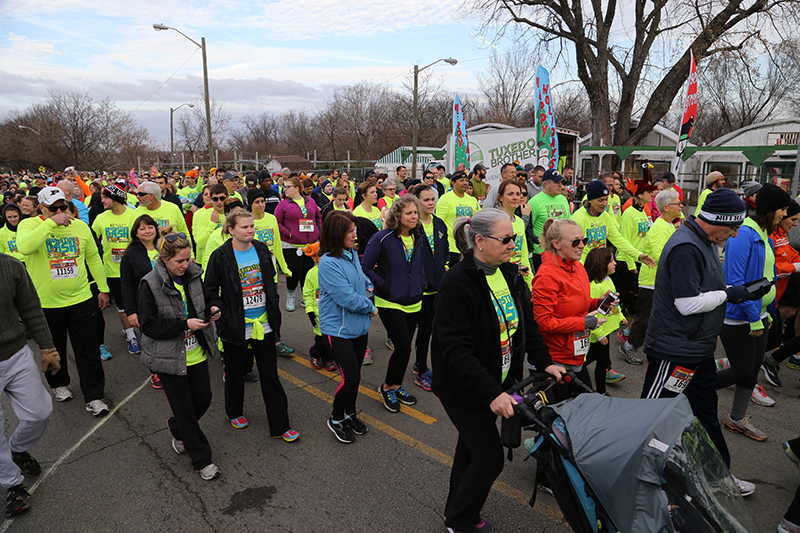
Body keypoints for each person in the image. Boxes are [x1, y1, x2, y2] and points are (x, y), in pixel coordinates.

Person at [431, 209, 563, 533]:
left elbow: (526, 324)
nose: (512, 244)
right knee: (489, 458)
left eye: (514, 238)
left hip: (499, 381)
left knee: (471, 449)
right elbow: (457, 350)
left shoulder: (509, 273)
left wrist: (544, 361)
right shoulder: (456, 283)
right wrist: (493, 393)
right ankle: (460, 521)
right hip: (466, 388)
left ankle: (454, 511)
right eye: (505, 239)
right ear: (478, 241)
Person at [641, 187, 766, 496]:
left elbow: (707, 286)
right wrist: (730, 294)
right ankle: (635, 476)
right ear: (718, 220)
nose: (736, 235)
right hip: (674, 351)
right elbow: (686, 303)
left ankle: (718, 476)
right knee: (652, 416)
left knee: (705, 415)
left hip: (697, 349)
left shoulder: (707, 239)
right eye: (734, 227)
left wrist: (739, 289)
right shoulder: (686, 246)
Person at [205, 209, 299, 440]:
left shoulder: (261, 249)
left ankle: (280, 426)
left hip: (263, 323)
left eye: (252, 226)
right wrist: (219, 310)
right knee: (236, 372)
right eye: (244, 227)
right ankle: (233, 411)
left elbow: (270, 280)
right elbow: (210, 290)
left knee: (270, 374)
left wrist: (273, 304)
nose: (250, 230)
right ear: (231, 230)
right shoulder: (221, 255)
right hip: (237, 324)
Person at [16, 187, 111, 415]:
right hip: (46, 304)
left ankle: (94, 396)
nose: (60, 212)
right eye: (53, 208)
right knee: (52, 349)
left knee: (88, 350)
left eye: (63, 207)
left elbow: (93, 259)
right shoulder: (29, 225)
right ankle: (59, 385)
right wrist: (50, 224)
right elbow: (25, 247)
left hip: (80, 299)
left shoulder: (80, 226)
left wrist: (103, 288)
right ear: (41, 208)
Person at [138, 229, 221, 480]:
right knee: (185, 409)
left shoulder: (194, 275)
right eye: (179, 261)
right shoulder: (149, 283)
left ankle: (176, 427)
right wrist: (185, 324)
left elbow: (206, 299)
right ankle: (202, 460)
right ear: (164, 260)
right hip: (168, 358)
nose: (186, 265)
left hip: (196, 353)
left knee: (203, 399)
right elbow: (148, 325)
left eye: (188, 259)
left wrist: (214, 309)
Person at [716, 183, 789, 434]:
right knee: (743, 369)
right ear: (769, 209)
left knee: (751, 371)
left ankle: (737, 418)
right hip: (739, 317)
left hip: (760, 315)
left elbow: (767, 276)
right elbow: (736, 282)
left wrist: (766, 313)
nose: (785, 215)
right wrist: (753, 318)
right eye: (782, 209)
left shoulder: (765, 234)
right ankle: (693, 390)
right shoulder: (744, 234)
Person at [0, 251, 59, 518]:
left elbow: (31, 309)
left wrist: (47, 347)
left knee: (40, 411)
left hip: (15, 354)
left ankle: (17, 450)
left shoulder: (9, 265)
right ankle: (13, 485)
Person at [362, 196, 425, 412]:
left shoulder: (419, 237)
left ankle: (397, 385)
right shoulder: (382, 237)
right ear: (397, 216)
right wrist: (383, 285)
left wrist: (421, 282)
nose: (414, 217)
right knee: (403, 346)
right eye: (409, 213)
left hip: (414, 301)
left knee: (405, 349)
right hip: (389, 301)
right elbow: (366, 266)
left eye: (415, 212)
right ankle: (387, 387)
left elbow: (422, 264)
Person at [318, 211, 376, 443]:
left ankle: (349, 413)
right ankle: (336, 418)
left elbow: (363, 279)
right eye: (350, 231)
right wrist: (370, 306)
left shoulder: (351, 254)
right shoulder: (328, 262)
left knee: (356, 375)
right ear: (337, 234)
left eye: (355, 229)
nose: (355, 235)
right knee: (349, 377)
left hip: (359, 327)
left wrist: (369, 288)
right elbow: (346, 298)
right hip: (338, 330)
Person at [532, 218, 607, 385]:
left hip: (576, 353)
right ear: (557, 244)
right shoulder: (547, 275)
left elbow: (576, 303)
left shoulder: (577, 266)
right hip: (555, 358)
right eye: (575, 242)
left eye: (584, 240)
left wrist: (597, 302)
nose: (582, 245)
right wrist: (583, 323)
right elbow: (543, 323)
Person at [618, 189, 681, 365]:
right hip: (651, 280)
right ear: (666, 207)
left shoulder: (668, 225)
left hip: (661, 280)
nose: (681, 206)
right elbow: (662, 255)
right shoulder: (660, 227)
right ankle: (628, 346)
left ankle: (651, 344)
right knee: (644, 318)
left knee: (657, 317)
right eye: (678, 203)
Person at [91, 185, 139, 355]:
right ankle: (131, 336)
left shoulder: (134, 215)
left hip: (135, 269)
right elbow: (91, 241)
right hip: (112, 271)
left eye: (105, 197)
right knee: (122, 305)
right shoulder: (101, 218)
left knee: (140, 303)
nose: (101, 200)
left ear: (116, 198)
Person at [409, 184, 447, 391]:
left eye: (433, 199)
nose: (431, 203)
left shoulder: (440, 224)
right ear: (416, 202)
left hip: (438, 287)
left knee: (438, 329)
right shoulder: (412, 228)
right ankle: (420, 367)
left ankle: (431, 365)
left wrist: (446, 267)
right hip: (420, 290)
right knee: (424, 329)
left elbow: (446, 251)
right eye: (426, 199)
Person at [614, 179, 659, 347]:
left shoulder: (643, 212)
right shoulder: (629, 214)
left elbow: (644, 236)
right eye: (649, 192)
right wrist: (632, 265)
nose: (652, 194)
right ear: (640, 195)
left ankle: (627, 332)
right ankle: (608, 325)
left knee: (641, 300)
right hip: (627, 261)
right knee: (623, 294)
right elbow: (624, 240)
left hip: (641, 259)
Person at [571, 180, 656, 268]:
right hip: (584, 267)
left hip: (599, 266)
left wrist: (638, 255)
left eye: (606, 199)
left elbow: (618, 240)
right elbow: (572, 249)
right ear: (590, 200)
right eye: (600, 200)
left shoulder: (605, 216)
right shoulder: (578, 219)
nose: (604, 203)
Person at [120, 214, 163, 389]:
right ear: (136, 233)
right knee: (151, 339)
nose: (147, 231)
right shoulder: (130, 253)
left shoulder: (164, 246)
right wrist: (131, 312)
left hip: (169, 300)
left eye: (150, 226)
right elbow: (126, 284)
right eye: (142, 228)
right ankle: (155, 371)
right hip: (145, 304)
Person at [761, 201, 800, 387]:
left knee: (773, 340)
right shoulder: (770, 236)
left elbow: (792, 255)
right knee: (761, 341)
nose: (795, 224)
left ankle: (743, 365)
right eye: (792, 219)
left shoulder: (782, 235)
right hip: (763, 300)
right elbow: (770, 267)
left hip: (773, 300)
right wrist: (795, 267)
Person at [274, 176, 322, 312]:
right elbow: (276, 222)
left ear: (297, 188)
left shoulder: (310, 201)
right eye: (285, 187)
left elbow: (318, 217)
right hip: (291, 245)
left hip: (310, 244)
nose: (285, 189)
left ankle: (305, 297)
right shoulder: (283, 204)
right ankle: (290, 295)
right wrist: (288, 233)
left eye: (288, 186)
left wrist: (318, 231)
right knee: (294, 272)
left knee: (307, 273)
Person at [584, 248, 627, 392]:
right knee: (601, 363)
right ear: (601, 264)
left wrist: (620, 317)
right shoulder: (595, 287)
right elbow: (592, 314)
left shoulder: (608, 280)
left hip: (606, 330)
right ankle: (601, 392)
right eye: (611, 261)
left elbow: (614, 301)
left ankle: (575, 371)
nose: (615, 263)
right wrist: (600, 334)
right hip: (598, 333)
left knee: (595, 358)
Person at [493, 180, 535, 290]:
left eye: (518, 194)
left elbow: (524, 256)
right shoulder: (495, 222)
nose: (516, 197)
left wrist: (532, 286)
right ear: (500, 197)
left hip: (518, 277)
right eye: (510, 194)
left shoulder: (520, 222)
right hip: (500, 277)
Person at [526, 169, 570, 271]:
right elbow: (528, 228)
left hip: (561, 251)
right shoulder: (534, 202)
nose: (560, 185)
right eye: (556, 182)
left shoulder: (563, 199)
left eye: (561, 182)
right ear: (546, 184)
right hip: (542, 254)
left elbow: (568, 221)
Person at [303, 242, 336, 371]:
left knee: (332, 339)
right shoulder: (311, 274)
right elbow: (307, 294)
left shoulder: (334, 271)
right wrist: (310, 311)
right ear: (316, 258)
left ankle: (328, 359)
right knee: (322, 339)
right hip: (319, 314)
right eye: (321, 255)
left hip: (333, 312)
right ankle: (315, 353)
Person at [436, 171, 480, 267]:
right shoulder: (445, 199)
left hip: (469, 246)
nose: (465, 183)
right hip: (452, 247)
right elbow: (438, 223)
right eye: (461, 180)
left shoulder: (472, 200)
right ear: (453, 183)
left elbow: (478, 220)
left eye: (466, 180)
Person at [192, 184, 228, 265]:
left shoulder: (231, 214)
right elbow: (200, 244)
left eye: (222, 198)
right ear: (211, 199)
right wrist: (212, 224)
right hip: (211, 262)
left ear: (227, 197)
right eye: (215, 199)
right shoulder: (203, 215)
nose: (219, 202)